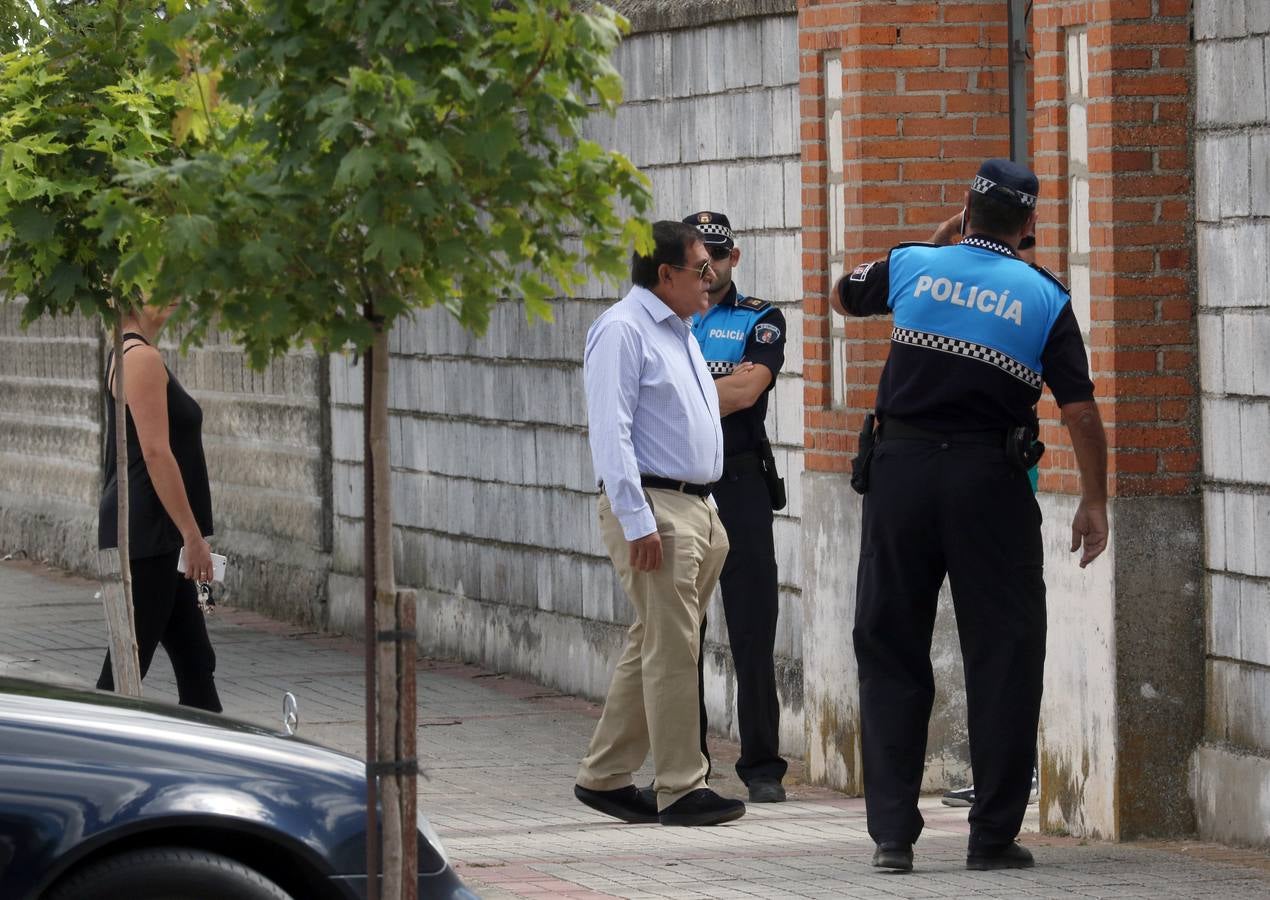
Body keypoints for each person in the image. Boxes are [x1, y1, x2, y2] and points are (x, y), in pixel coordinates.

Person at [830, 158, 1108, 872]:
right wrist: (1095, 500)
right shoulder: (1044, 296)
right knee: (1006, 651)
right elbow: (1078, 409)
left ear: (965, 209)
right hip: (990, 482)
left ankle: (893, 838)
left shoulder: (915, 264)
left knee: (890, 644)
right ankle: (990, 838)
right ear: (1029, 227)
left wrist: (934, 244)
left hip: (901, 476)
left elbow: (841, 295)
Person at [574, 220, 745, 827]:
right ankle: (680, 787)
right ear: (665, 273)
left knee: (653, 640)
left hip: (695, 507)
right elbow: (611, 432)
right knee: (673, 647)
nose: (713, 276)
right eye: (702, 267)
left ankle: (603, 774)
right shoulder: (623, 330)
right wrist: (636, 519)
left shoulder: (680, 330)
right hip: (654, 510)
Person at [683, 211, 789, 803]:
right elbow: (727, 389)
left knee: (752, 626)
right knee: (682, 634)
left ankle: (762, 767)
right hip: (683, 484)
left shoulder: (761, 318)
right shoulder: (669, 321)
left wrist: (678, 394)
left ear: (735, 257)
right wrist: (714, 391)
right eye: (700, 257)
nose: (710, 266)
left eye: (718, 255)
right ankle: (687, 766)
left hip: (741, 482)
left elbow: (750, 389)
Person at [97, 298, 223, 713]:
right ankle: (87, 750)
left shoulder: (128, 351)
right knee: (126, 666)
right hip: (150, 534)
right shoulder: (141, 358)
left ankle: (211, 754)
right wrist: (192, 536)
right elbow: (155, 453)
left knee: (195, 659)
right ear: (131, 295)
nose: (173, 292)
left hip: (155, 532)